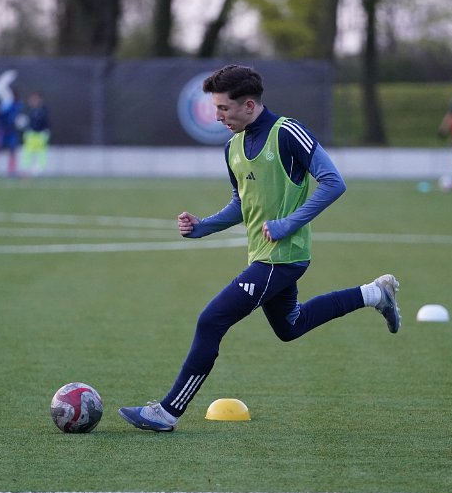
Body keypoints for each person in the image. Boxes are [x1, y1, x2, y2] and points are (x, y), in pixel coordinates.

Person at [118, 64, 402, 432]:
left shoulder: (288, 132)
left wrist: (289, 223)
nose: (217, 116)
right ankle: (375, 294)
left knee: (211, 320)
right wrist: (202, 227)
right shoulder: (233, 147)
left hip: (283, 257)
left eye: (223, 108)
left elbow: (334, 182)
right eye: (216, 108)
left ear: (249, 105)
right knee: (291, 326)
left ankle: (167, 412)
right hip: (264, 256)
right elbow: (241, 204)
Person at [19, 92, 51, 176]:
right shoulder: (29, 111)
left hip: (40, 135)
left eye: (34, 99)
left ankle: (40, 169)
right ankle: (25, 169)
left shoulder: (43, 110)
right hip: (31, 135)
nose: (32, 101)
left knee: (41, 152)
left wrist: (46, 133)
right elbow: (26, 123)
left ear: (39, 100)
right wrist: (26, 131)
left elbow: (45, 123)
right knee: (27, 152)